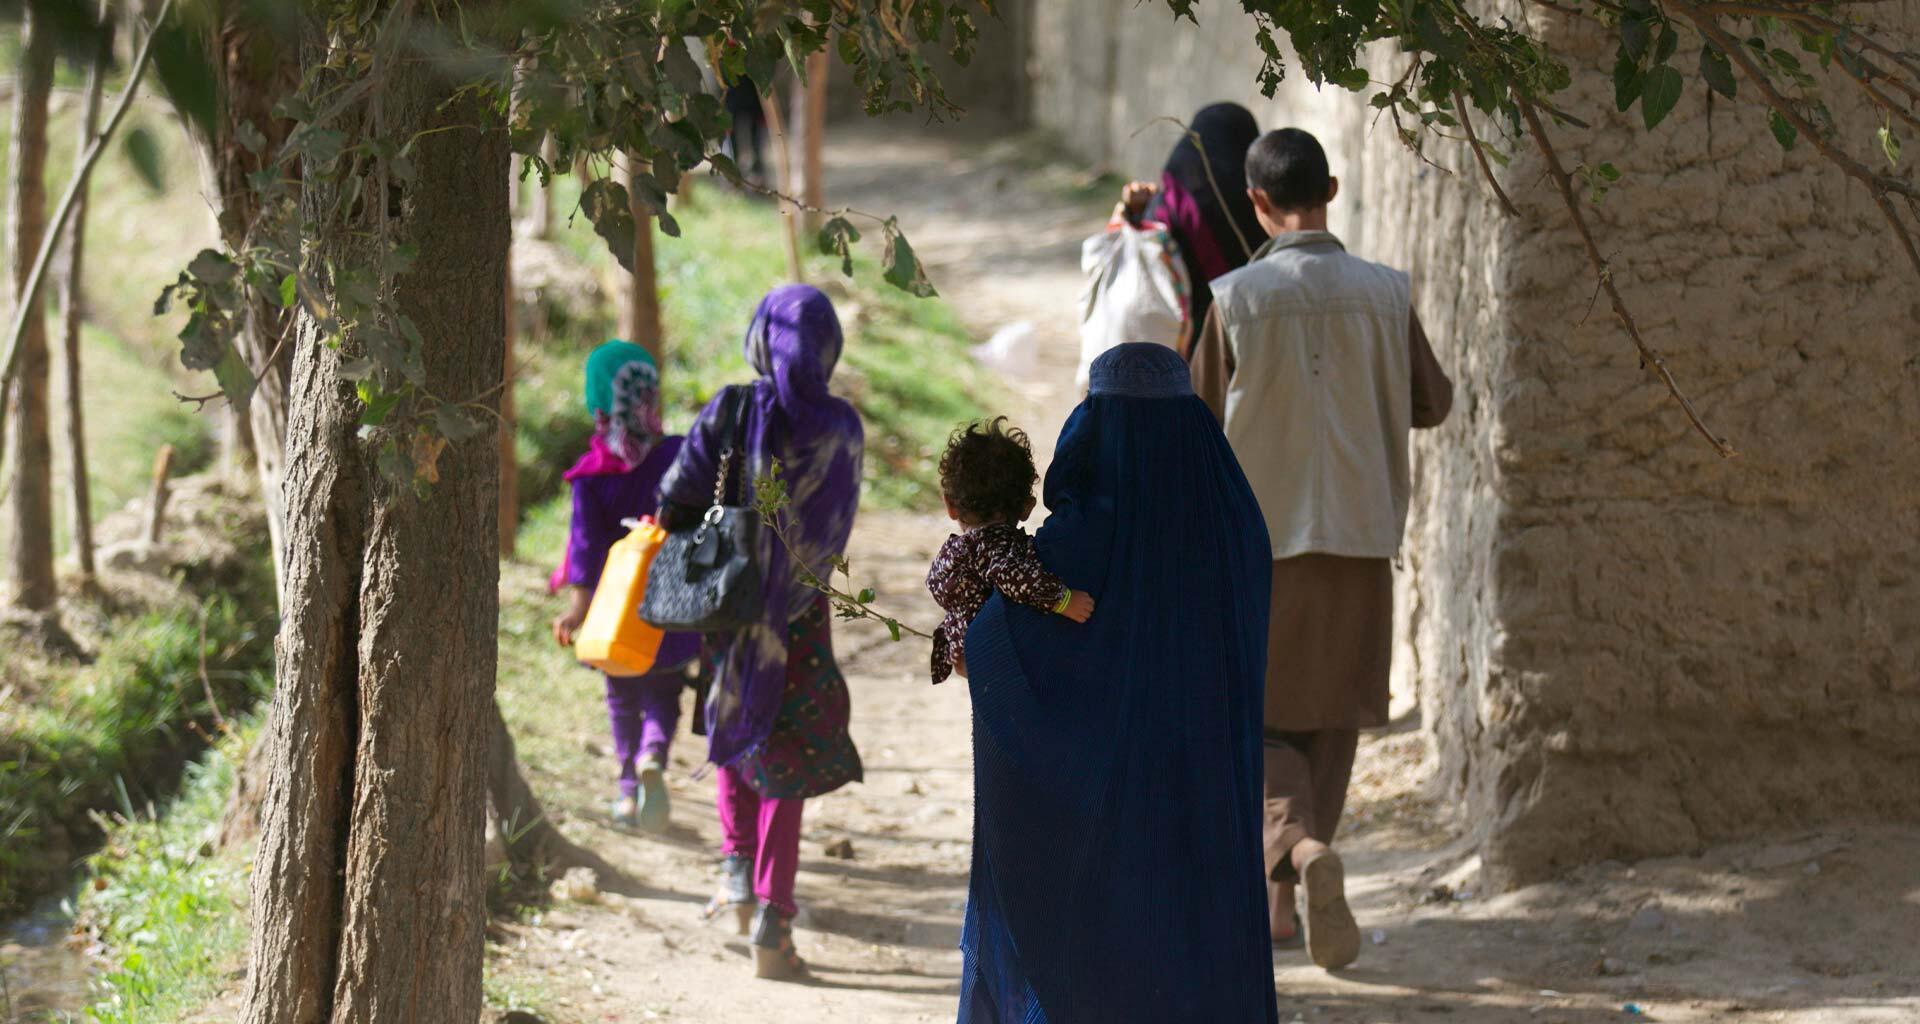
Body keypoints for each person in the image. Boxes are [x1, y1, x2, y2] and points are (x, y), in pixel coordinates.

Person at [1190, 128, 1455, 969]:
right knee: (1332, 720)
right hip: (1361, 540)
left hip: (1259, 548)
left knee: (1253, 718)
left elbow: (1196, 422)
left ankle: (1299, 855)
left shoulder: (1235, 299)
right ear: (1332, 190)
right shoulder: (1384, 294)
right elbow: (1434, 402)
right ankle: (1285, 904)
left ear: (1255, 203)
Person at [957, 344, 1278, 1024]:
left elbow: (1002, 641)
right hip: (1202, 790)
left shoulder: (1076, 539)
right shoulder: (1235, 524)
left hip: (1105, 816)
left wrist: (968, 637)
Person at [657, 284, 864, 980]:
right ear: (828, 349)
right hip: (800, 619)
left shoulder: (731, 408)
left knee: (734, 716)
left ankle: (736, 873)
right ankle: (774, 923)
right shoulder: (843, 428)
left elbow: (676, 498)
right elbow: (836, 526)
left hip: (732, 607)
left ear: (759, 342)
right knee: (788, 754)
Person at [549, 341, 699, 833]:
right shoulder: (679, 456)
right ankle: (653, 752)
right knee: (665, 691)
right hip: (671, 605)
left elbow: (585, 548)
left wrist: (577, 610)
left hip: (614, 612)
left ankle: (626, 788)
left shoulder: (592, 474)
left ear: (597, 402)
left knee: (621, 695)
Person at [926, 417, 1095, 685]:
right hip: (990, 649)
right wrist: (1063, 600)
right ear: (1027, 507)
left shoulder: (962, 548)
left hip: (969, 645)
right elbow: (1015, 577)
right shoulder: (994, 547)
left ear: (950, 505)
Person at [1120, 102, 1269, 353]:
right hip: (1243, 341)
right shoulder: (1257, 205)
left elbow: (1144, 242)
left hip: (1178, 348)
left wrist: (1134, 211)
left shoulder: (1171, 199)